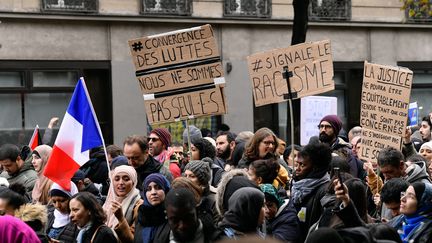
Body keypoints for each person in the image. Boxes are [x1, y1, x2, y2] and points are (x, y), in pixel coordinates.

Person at [290, 143, 332, 242]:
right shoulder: (296, 184)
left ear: (316, 168)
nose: (297, 169)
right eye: (297, 164)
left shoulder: (326, 191)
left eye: (302, 165)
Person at [156, 188, 221, 242]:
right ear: (166, 216)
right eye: (175, 220)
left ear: (197, 212)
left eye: (187, 218)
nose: (182, 226)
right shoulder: (160, 239)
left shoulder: (217, 238)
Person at [103, 165, 143, 243]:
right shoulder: (108, 202)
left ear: (133, 183)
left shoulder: (139, 206)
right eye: (117, 179)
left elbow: (133, 240)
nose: (121, 183)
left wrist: (120, 218)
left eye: (126, 179)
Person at [318, 115, 365, 179]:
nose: (323, 130)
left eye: (328, 127)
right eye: (321, 126)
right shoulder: (315, 149)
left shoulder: (346, 152)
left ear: (335, 130)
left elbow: (351, 176)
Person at [134, 173, 170, 243]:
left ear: (166, 190)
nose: (153, 192)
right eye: (149, 189)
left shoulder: (172, 215)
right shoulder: (141, 215)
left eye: (158, 187)